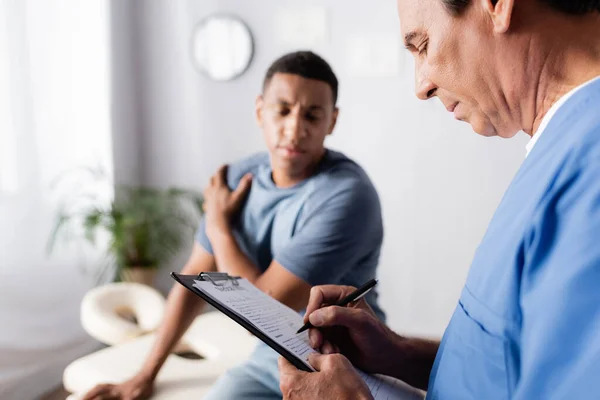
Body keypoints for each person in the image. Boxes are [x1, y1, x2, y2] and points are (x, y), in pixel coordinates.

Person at [278, 1, 600, 399]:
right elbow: (516, 369)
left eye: (423, 45)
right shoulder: (563, 143)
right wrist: (400, 355)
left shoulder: (589, 172)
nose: (421, 86)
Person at [82, 51, 385, 400]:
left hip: (345, 361)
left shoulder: (348, 195)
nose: (295, 129)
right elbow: (196, 277)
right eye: (283, 110)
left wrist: (219, 228)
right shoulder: (237, 178)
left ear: (331, 121)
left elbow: (264, 308)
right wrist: (144, 375)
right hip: (272, 356)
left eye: (312, 115)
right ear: (260, 110)